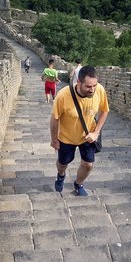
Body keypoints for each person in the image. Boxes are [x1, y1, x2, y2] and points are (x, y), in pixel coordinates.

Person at [50, 65, 110, 196]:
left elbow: (105, 111)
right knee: (62, 163)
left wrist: (96, 132)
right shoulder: (63, 96)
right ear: (79, 82)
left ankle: (78, 184)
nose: (92, 90)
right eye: (88, 86)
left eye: (94, 85)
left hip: (88, 136)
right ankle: (61, 175)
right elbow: (54, 119)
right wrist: (54, 140)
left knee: (88, 164)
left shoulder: (99, 90)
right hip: (67, 137)